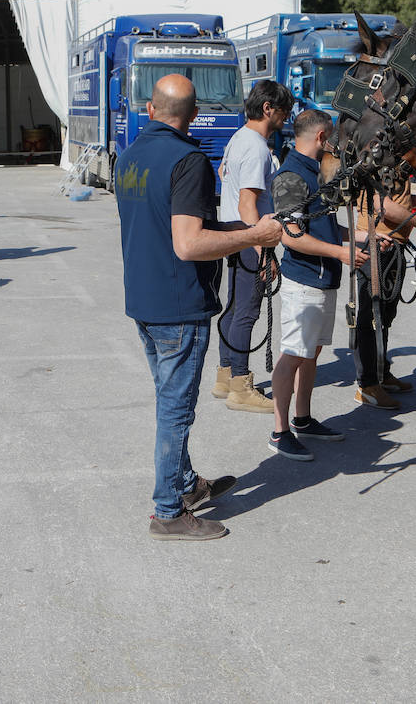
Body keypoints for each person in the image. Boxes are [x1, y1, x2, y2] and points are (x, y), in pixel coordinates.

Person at [116, 73, 283, 541]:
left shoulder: (129, 155)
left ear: (150, 109)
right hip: (178, 305)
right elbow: (188, 244)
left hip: (144, 300)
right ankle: (168, 511)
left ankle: (185, 485)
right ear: (193, 115)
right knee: (176, 409)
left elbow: (152, 223)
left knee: (170, 402)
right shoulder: (189, 160)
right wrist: (255, 235)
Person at [267, 110, 370, 459]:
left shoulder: (315, 173)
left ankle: (303, 419)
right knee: (294, 353)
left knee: (311, 352)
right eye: (336, 142)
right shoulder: (292, 177)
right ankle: (280, 432)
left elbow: (320, 228)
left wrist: (361, 237)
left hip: (323, 279)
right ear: (323, 138)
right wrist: (341, 253)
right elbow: (293, 237)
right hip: (305, 281)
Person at [213, 79, 294, 414]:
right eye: (284, 112)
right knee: (246, 310)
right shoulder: (257, 147)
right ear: (268, 109)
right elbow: (249, 205)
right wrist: (263, 253)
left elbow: (223, 175)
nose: (286, 118)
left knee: (233, 307)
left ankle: (226, 376)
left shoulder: (238, 139)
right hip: (249, 236)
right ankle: (241, 387)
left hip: (234, 233)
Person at [350, 175, 416, 410]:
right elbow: (381, 205)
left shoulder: (397, 162)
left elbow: (398, 200)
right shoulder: (379, 161)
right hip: (375, 243)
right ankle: (367, 385)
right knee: (371, 317)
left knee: (386, 315)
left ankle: (381, 373)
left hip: (392, 244)